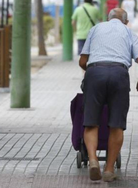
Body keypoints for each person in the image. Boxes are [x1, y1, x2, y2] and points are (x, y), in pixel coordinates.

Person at [79, 8, 138, 182]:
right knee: (116, 125)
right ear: (125, 22)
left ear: (107, 18)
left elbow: (83, 61)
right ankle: (109, 170)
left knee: (91, 123)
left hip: (96, 71)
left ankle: (92, 161)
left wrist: (93, 73)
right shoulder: (129, 32)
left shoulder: (96, 28)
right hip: (119, 74)